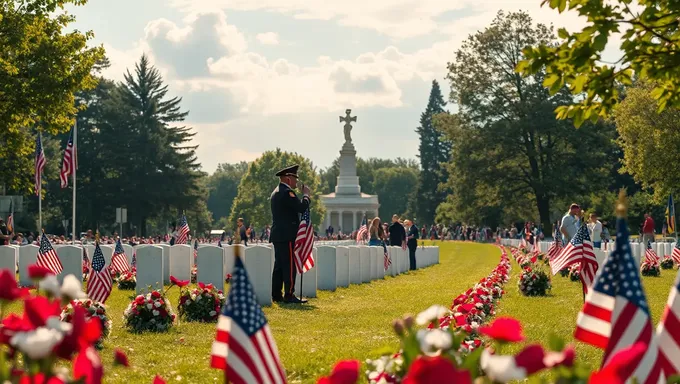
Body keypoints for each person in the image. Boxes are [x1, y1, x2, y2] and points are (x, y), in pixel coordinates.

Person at [270, 164, 310, 304]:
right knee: (289, 265)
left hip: (279, 234)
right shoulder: (287, 193)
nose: (296, 182)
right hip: (287, 234)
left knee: (279, 265)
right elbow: (301, 208)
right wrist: (306, 196)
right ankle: (289, 294)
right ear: (288, 179)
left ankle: (276, 294)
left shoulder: (276, 192)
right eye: (295, 179)